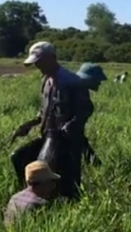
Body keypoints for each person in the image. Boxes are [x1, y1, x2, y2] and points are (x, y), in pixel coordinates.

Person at [10, 41, 89, 200]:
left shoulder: (71, 81)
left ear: (52, 58)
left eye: (39, 61)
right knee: (18, 157)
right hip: (48, 136)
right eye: (35, 62)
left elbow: (86, 108)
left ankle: (59, 204)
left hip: (66, 141)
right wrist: (30, 124)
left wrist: (72, 125)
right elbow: (44, 110)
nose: (37, 65)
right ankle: (29, 196)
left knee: (68, 185)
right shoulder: (46, 81)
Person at [4, 161, 60, 226]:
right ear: (43, 183)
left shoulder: (14, 198)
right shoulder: (40, 205)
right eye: (51, 181)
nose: (52, 186)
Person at [76, 63, 107, 166]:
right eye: (97, 80)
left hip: (77, 135)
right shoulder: (74, 92)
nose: (99, 83)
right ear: (88, 79)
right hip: (70, 135)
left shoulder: (82, 91)